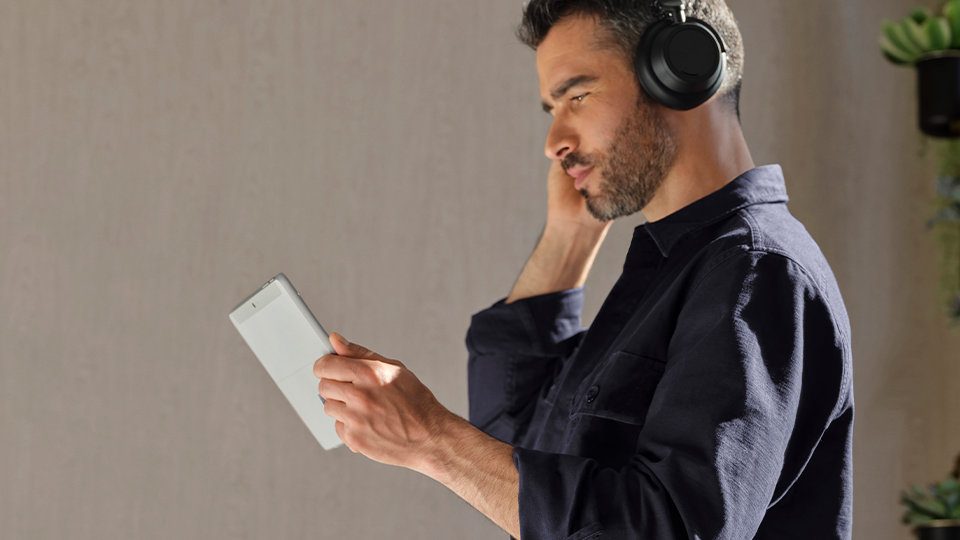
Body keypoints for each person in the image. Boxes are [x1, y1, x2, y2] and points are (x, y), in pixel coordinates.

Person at [313, 1, 854, 538]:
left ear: (681, 71)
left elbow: (666, 528)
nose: (555, 144)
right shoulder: (675, 271)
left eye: (577, 95)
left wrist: (432, 440)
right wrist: (568, 239)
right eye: (552, 110)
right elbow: (515, 435)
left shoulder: (753, 274)